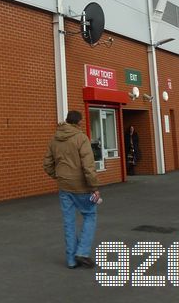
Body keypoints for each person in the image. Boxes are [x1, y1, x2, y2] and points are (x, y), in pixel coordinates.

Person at [43, 110, 101, 269]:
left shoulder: (55, 139)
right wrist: (94, 187)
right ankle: (82, 252)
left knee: (69, 222)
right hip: (82, 187)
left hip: (64, 186)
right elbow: (88, 166)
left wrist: (59, 176)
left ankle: (71, 260)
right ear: (79, 122)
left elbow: (47, 164)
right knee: (90, 215)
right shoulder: (81, 138)